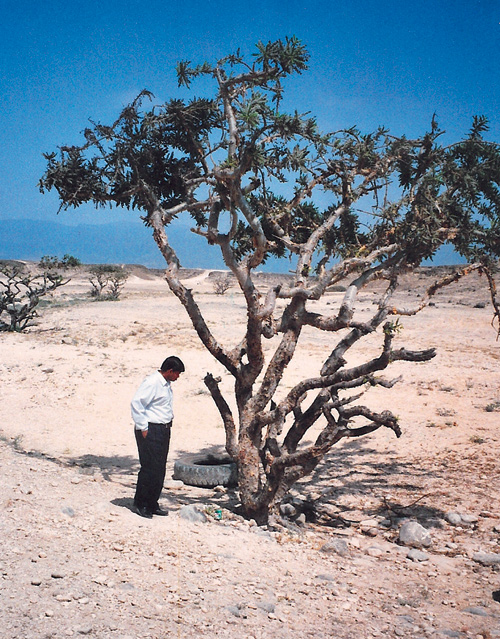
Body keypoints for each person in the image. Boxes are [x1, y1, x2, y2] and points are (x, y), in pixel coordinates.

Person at [130, 356, 185, 518]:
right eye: (177, 373)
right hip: (150, 429)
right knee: (149, 467)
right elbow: (137, 403)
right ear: (169, 371)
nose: (178, 377)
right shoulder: (152, 382)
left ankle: (152, 502)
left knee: (159, 468)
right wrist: (143, 427)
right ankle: (141, 504)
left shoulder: (166, 385)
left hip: (163, 429)